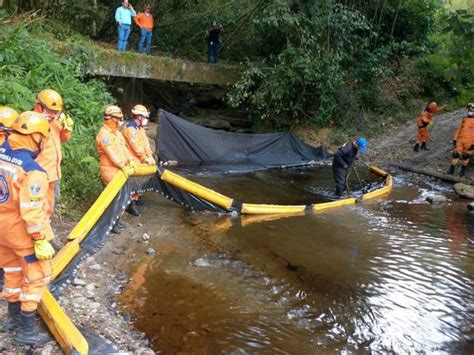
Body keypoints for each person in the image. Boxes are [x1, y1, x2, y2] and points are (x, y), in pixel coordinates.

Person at [0, 111, 55, 346]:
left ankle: (11, 321)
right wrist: (40, 237)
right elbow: (31, 211)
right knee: (37, 277)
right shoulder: (33, 171)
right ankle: (25, 331)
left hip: (2, 231)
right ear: (34, 137)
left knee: (11, 272)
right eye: (42, 138)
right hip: (20, 232)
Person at [33, 89, 73, 219]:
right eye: (51, 111)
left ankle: (47, 232)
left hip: (54, 172)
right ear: (39, 107)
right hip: (39, 174)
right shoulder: (30, 123)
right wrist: (41, 124)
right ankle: (39, 235)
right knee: (37, 208)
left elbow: (62, 139)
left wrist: (66, 129)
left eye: (56, 112)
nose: (54, 115)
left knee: (50, 206)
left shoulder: (54, 122)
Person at [96, 105, 136, 233]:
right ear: (111, 119)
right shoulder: (104, 135)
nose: (120, 121)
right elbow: (111, 153)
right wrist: (123, 165)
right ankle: (111, 224)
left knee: (122, 198)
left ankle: (116, 221)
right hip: (110, 171)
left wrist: (131, 160)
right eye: (118, 118)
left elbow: (125, 149)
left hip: (120, 171)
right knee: (115, 200)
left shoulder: (117, 133)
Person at [123, 104, 156, 208]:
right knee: (133, 182)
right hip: (133, 160)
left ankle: (137, 198)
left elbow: (145, 143)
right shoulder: (130, 128)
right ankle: (131, 203)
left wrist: (149, 155)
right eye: (145, 117)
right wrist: (144, 158)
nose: (146, 119)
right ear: (139, 117)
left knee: (139, 181)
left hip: (140, 159)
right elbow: (136, 146)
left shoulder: (140, 128)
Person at [447, 103, 474, 177]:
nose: (470, 111)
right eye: (469, 109)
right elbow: (459, 130)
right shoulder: (464, 120)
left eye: (471, 109)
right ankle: (451, 170)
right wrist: (455, 139)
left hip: (470, 143)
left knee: (466, 156)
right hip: (460, 140)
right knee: (455, 155)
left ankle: (462, 172)